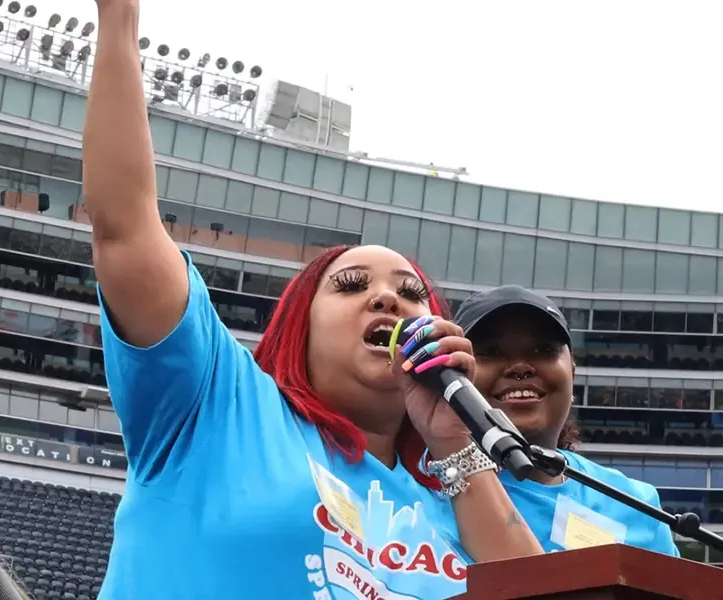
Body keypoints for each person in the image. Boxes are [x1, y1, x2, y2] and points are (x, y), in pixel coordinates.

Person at [83, 1, 544, 598]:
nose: (388, 298)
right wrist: (120, 18)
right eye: (352, 286)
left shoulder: (455, 503)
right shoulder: (219, 403)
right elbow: (124, 225)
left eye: (412, 294)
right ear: (299, 327)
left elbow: (543, 593)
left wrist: (455, 446)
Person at [460, 285, 680, 556]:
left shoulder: (636, 503)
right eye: (490, 352)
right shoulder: (425, 486)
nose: (520, 367)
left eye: (543, 349)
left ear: (572, 374)